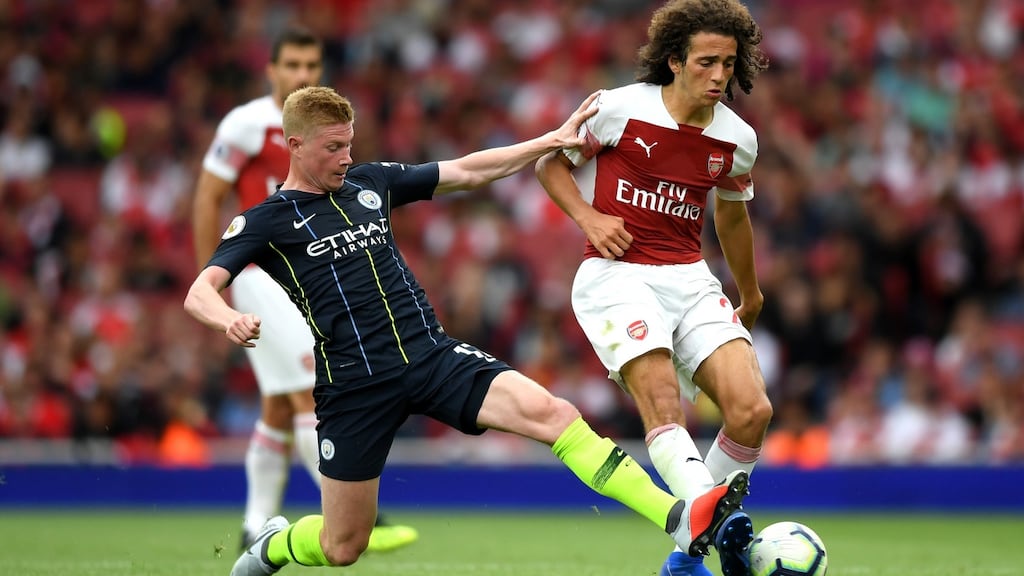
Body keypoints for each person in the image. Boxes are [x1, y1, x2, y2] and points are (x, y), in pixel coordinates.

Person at [184, 85, 751, 575]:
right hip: (355, 385)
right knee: (342, 546)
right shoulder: (266, 220)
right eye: (333, 148)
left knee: (553, 414)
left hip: (432, 357)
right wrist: (229, 317)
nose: (345, 157)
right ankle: (274, 545)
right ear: (295, 145)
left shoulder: (369, 183)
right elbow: (200, 291)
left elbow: (468, 170)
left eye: (349, 144)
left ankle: (679, 518)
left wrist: (549, 141)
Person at [534, 1, 772, 575]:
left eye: (728, 64)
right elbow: (549, 164)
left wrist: (750, 291)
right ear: (675, 61)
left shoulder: (737, 139)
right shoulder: (617, 108)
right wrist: (590, 219)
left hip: (689, 276)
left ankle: (689, 548)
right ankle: (718, 523)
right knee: (664, 402)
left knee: (751, 410)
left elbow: (731, 214)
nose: (719, 75)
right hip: (617, 275)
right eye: (706, 62)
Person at [192, 27, 417, 553]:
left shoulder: (322, 126)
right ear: (271, 70)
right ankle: (352, 513)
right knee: (305, 388)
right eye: (291, 65)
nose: (302, 74)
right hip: (260, 274)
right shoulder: (246, 124)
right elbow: (208, 198)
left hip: (306, 274)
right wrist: (216, 281)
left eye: (310, 66)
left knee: (277, 403)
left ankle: (255, 523)